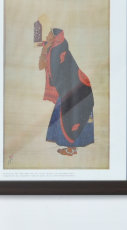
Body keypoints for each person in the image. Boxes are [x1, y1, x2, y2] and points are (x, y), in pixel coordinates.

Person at [37, 22, 93, 156]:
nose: (47, 35)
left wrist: (45, 50)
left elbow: (46, 68)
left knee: (70, 117)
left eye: (49, 34)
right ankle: (70, 148)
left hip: (77, 89)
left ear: (55, 37)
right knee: (67, 116)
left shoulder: (56, 50)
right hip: (71, 88)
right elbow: (47, 68)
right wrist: (45, 48)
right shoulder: (57, 46)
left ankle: (71, 149)